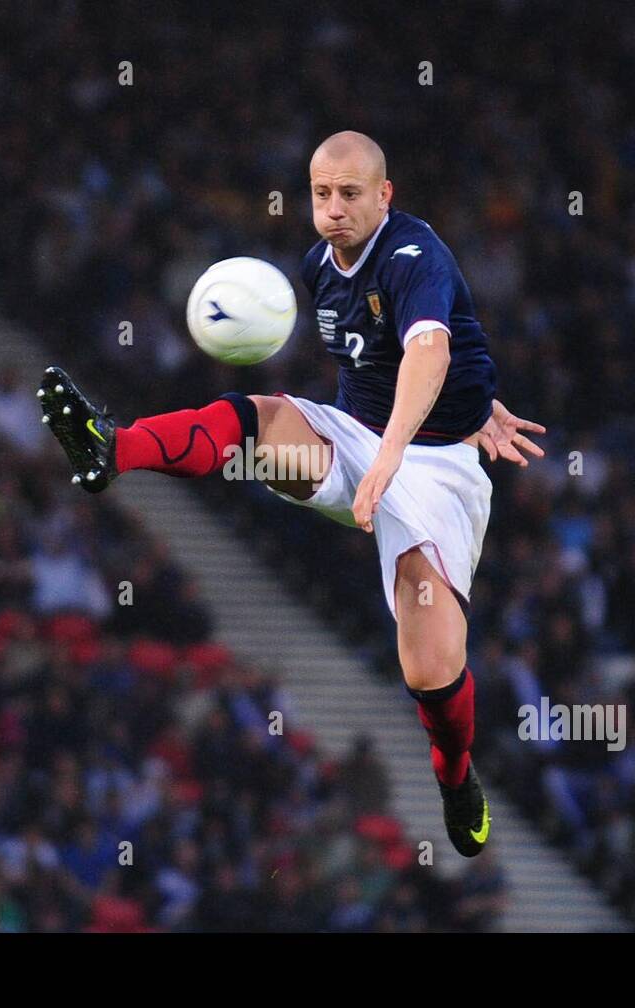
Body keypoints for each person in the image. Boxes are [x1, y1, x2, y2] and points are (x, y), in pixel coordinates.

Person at [38, 130, 546, 856]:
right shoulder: (317, 265)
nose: (334, 209)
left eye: (350, 194)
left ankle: (457, 777)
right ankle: (111, 448)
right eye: (321, 194)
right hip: (356, 437)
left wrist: (421, 436)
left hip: (437, 471)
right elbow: (398, 353)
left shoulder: (413, 254)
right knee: (257, 419)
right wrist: (467, 399)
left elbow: (429, 349)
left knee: (429, 670)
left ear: (384, 195)